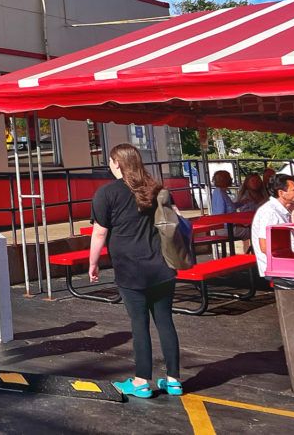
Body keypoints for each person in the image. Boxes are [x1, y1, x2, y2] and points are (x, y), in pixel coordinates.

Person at [88, 143, 181, 399]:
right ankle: (173, 380)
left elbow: (99, 232)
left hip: (130, 268)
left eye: (110, 160)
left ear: (116, 163)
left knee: (139, 324)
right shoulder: (158, 190)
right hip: (162, 266)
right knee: (165, 321)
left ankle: (141, 381)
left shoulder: (106, 194)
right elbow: (175, 220)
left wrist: (92, 262)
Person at [252, 174, 294, 277]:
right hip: (279, 269)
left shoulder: (278, 209)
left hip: (285, 265)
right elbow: (265, 247)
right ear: (281, 193)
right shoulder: (270, 212)